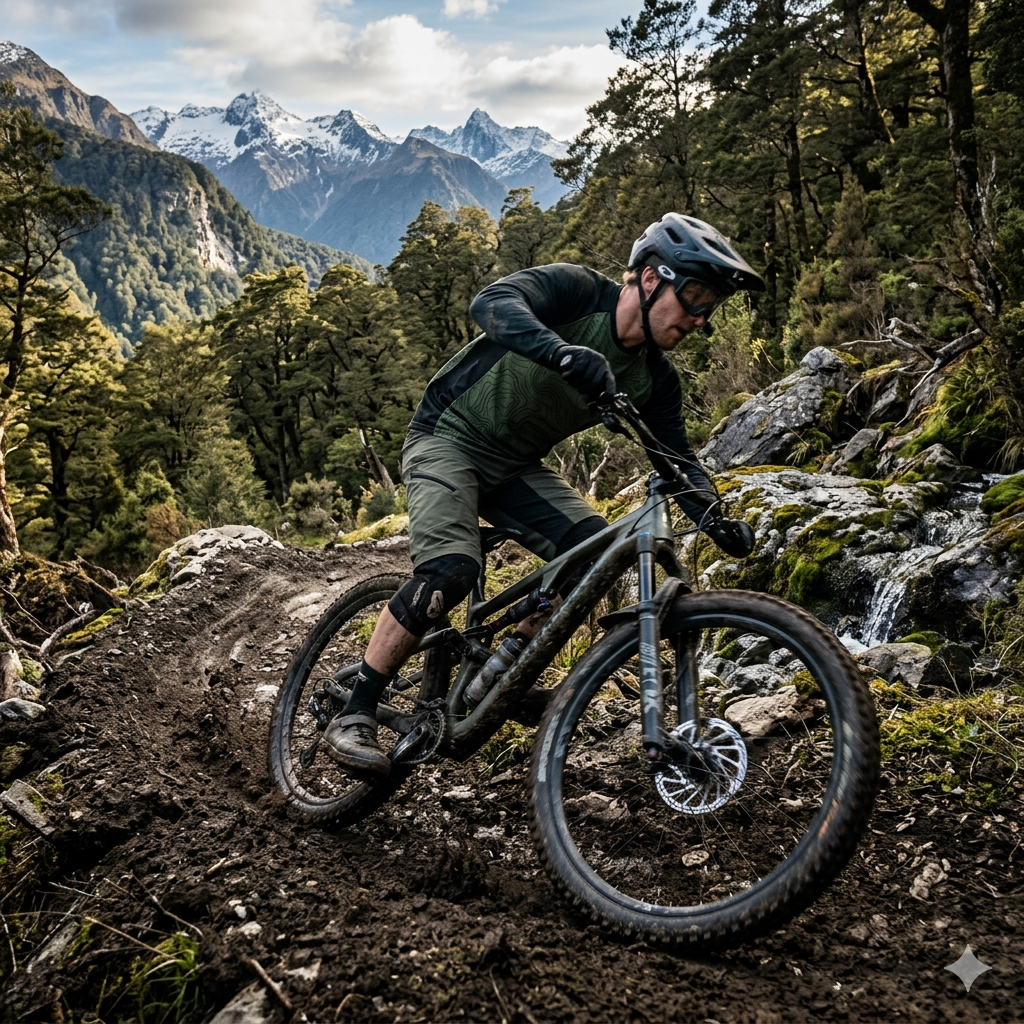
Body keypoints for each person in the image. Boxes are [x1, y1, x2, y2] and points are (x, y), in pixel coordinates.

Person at [324, 213, 764, 778]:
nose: (701, 319)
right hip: (448, 435)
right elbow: (492, 303)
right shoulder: (577, 290)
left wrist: (716, 519)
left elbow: (676, 460)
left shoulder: (656, 380)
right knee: (451, 570)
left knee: (593, 555)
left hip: (516, 469)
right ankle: (356, 710)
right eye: (696, 297)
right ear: (652, 279)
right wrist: (561, 352)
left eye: (711, 307)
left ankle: (500, 676)